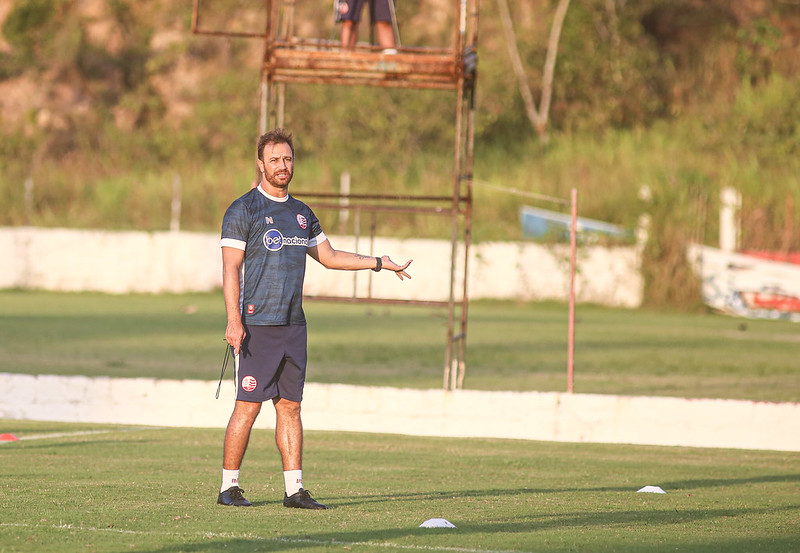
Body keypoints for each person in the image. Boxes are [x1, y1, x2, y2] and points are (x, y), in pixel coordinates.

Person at [217, 128, 412, 509]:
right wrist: (233, 320)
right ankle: (229, 487)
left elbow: (330, 256)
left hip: (294, 326)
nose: (282, 166)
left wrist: (378, 263)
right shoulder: (243, 210)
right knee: (248, 406)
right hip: (257, 325)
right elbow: (230, 269)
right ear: (260, 164)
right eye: (274, 159)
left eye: (287, 159)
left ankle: (294, 491)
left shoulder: (301, 214)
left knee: (290, 406)